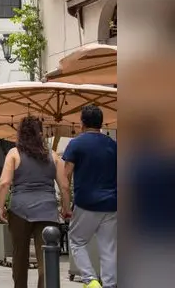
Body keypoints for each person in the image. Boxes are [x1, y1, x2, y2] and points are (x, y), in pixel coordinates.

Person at [0, 115, 71, 288]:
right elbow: (65, 186)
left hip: (19, 210)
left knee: (19, 256)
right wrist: (65, 208)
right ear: (40, 133)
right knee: (47, 258)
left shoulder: (14, 154)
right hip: (47, 212)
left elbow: (4, 183)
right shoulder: (53, 156)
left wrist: (0, 206)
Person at [63, 105, 117, 288]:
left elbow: (65, 179)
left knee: (76, 241)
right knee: (108, 248)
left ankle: (90, 280)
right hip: (112, 204)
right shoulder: (113, 145)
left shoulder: (76, 143)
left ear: (82, 123)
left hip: (86, 203)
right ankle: (109, 285)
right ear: (101, 123)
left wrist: (65, 206)